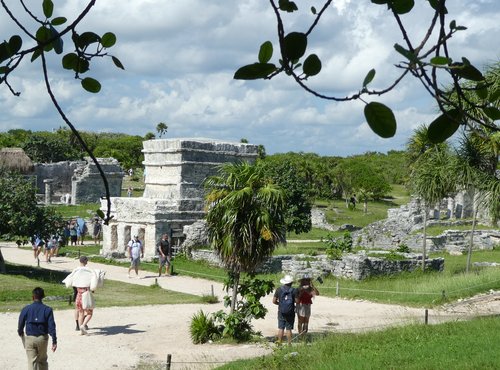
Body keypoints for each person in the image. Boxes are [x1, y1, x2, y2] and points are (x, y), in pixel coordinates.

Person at [17, 287, 57, 370]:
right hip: (42, 338)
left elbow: (21, 322)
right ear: (43, 297)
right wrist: (54, 341)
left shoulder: (26, 309)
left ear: (33, 297)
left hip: (30, 338)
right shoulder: (48, 309)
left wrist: (20, 333)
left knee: (32, 362)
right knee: (42, 361)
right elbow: (52, 326)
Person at [62, 256, 95, 335]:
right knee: (89, 313)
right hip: (86, 294)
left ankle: (80, 329)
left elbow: (70, 280)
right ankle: (83, 325)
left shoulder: (76, 271)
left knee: (80, 313)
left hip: (78, 294)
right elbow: (94, 282)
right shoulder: (89, 271)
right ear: (86, 261)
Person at [272, 274, 298, 345]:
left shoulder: (279, 289)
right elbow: (297, 301)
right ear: (291, 282)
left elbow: (274, 301)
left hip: (281, 311)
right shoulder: (294, 290)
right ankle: (289, 344)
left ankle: (279, 342)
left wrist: (279, 304)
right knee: (288, 329)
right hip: (290, 311)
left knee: (281, 328)